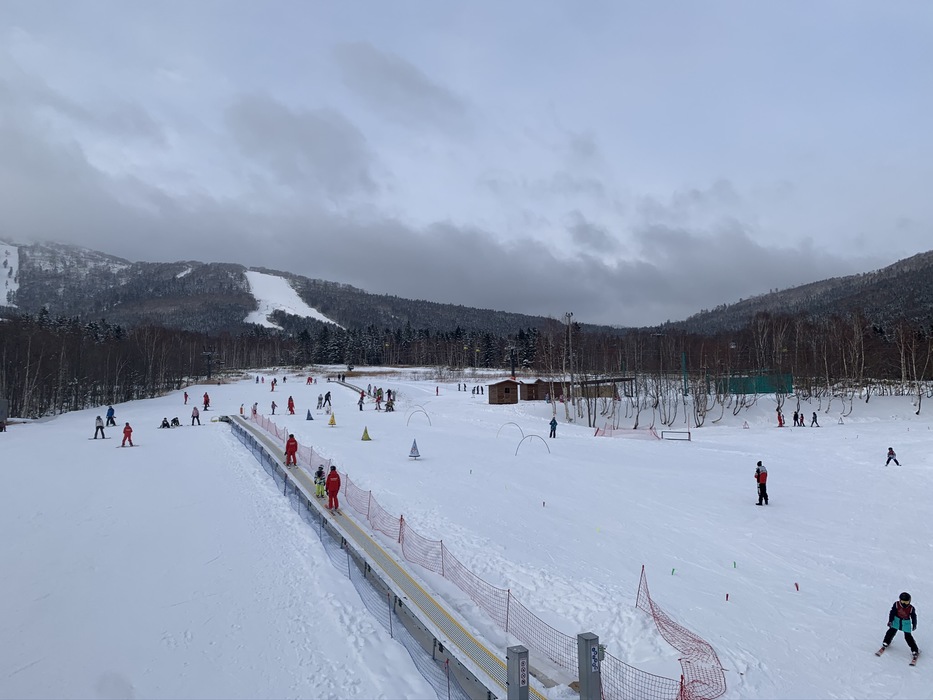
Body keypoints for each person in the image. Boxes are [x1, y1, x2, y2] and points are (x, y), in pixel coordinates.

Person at [877, 592, 920, 662]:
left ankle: (915, 650)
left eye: (906, 602)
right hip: (896, 620)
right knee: (891, 631)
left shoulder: (911, 608)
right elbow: (892, 612)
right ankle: (886, 642)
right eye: (902, 602)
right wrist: (890, 620)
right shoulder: (896, 605)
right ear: (900, 600)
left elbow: (913, 616)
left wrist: (914, 624)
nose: (904, 604)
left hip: (906, 622)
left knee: (908, 636)